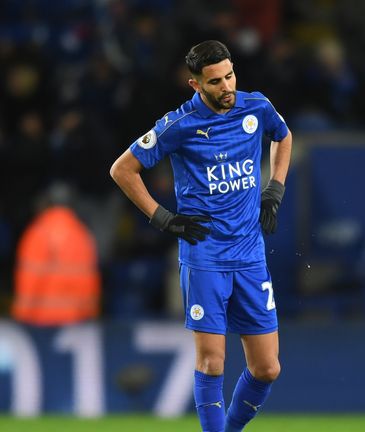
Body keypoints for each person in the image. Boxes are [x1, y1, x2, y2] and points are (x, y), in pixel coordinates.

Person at [109, 40, 292, 432]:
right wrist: (161, 217)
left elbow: (283, 135)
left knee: (267, 367)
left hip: (250, 254)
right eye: (215, 81)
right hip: (205, 254)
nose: (226, 86)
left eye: (229, 75)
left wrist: (275, 187)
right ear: (195, 85)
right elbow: (122, 170)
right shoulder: (179, 125)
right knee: (212, 362)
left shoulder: (255, 106)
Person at [12, 182, 100, 326]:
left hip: (40, 321)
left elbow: (30, 278)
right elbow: (90, 282)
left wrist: (21, 315)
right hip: (74, 321)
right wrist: (89, 315)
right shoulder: (82, 235)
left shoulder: (37, 233)